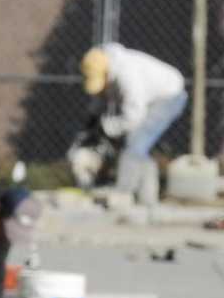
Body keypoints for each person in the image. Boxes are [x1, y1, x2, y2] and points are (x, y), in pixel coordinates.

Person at [75, 43, 187, 202]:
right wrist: (93, 120)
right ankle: (147, 199)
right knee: (138, 148)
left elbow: (133, 117)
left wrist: (108, 127)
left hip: (168, 98)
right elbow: (102, 99)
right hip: (149, 99)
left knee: (135, 144)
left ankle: (122, 194)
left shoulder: (128, 75)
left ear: (107, 73)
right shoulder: (109, 67)